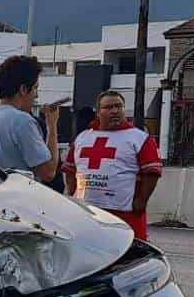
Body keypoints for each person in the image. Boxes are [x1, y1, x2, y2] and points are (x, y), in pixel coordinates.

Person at [62, 90, 162, 239]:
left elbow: (152, 172)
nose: (115, 111)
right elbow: (71, 169)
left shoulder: (139, 138)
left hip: (124, 213)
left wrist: (141, 201)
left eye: (118, 106)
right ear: (98, 112)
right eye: (108, 107)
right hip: (87, 211)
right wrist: (73, 194)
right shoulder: (83, 138)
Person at [0, 55, 61, 182]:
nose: (36, 95)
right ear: (23, 89)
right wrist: (52, 125)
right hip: (14, 199)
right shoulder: (22, 121)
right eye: (35, 88)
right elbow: (48, 172)